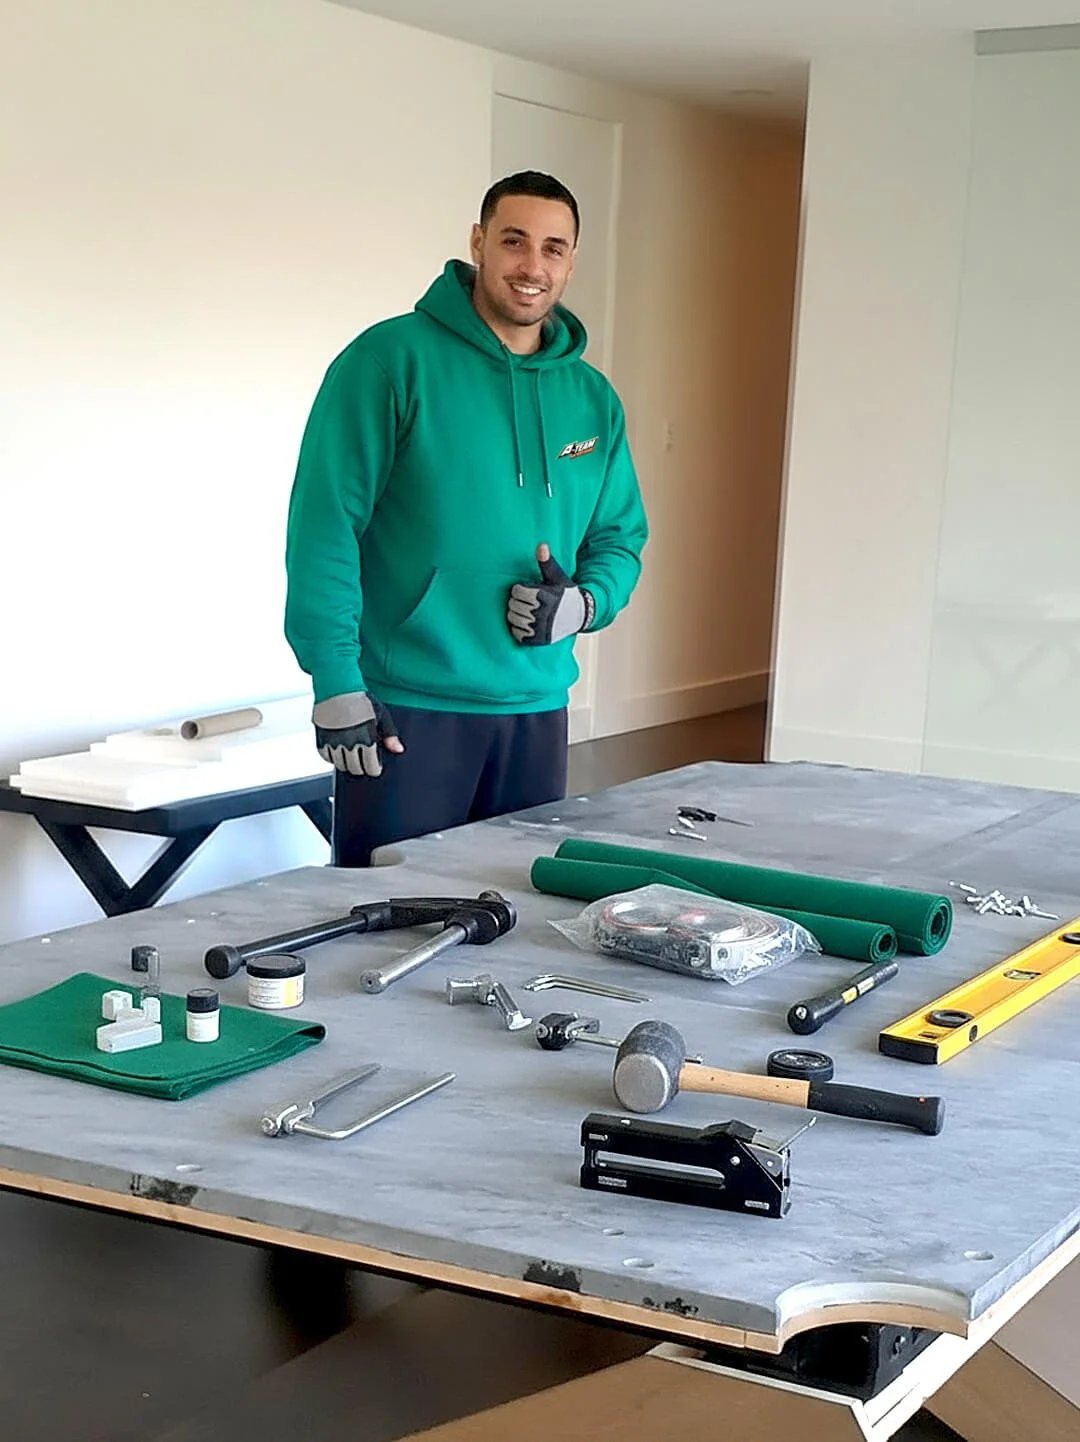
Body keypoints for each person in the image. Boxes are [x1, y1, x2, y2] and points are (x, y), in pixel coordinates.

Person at [284, 170, 648, 865]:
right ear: (479, 243)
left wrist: (582, 605)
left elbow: (620, 538)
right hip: (407, 708)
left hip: (534, 707)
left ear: (572, 262)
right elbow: (324, 527)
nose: (532, 266)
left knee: (515, 919)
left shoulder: (592, 398)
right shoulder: (389, 362)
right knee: (384, 922)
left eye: (553, 248)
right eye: (514, 241)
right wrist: (335, 683)